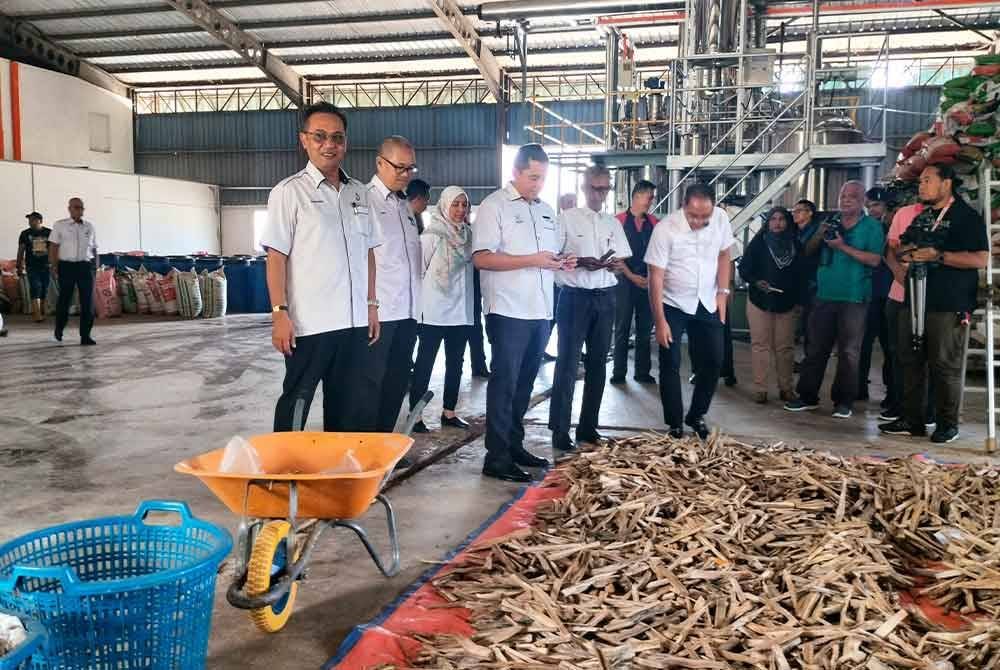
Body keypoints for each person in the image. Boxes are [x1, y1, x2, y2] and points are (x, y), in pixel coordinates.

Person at [261, 101, 381, 432]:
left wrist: (372, 305)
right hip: (309, 325)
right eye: (320, 136)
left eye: (337, 137)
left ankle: (339, 476)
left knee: (350, 408)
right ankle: (284, 474)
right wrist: (279, 313)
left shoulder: (359, 193)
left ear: (346, 143)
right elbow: (276, 258)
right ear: (304, 140)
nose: (329, 144)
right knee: (296, 403)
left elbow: (368, 252)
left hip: (354, 323)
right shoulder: (289, 193)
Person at [473, 144, 575, 482]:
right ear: (515, 172)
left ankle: (514, 445)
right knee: (504, 383)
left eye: (543, 178)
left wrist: (563, 263)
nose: (538, 184)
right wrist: (532, 260)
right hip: (508, 311)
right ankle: (496, 456)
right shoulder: (494, 207)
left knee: (524, 384)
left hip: (541, 311)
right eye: (532, 177)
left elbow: (551, 257)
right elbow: (482, 258)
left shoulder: (546, 211)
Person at [879, 164, 988, 443]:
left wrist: (939, 256)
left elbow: (980, 259)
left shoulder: (966, 217)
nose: (921, 186)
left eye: (928, 180)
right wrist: (906, 254)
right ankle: (912, 420)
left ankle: (947, 424)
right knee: (909, 360)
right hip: (914, 298)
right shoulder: (924, 215)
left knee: (943, 364)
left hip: (948, 303)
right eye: (920, 181)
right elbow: (901, 247)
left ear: (947, 182)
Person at [549, 165, 632, 452]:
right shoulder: (566, 220)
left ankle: (588, 427)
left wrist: (611, 265)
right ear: (584, 188)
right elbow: (552, 258)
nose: (600, 194)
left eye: (605, 188)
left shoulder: (612, 223)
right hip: (574, 297)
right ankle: (560, 430)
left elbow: (621, 263)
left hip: (605, 297)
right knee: (567, 364)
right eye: (595, 188)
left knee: (598, 364)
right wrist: (578, 261)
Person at [784, 181, 884, 418]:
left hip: (854, 297)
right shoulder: (830, 223)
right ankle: (807, 396)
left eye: (852, 196)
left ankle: (844, 401)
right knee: (815, 348)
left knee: (849, 352)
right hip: (824, 295)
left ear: (862, 201)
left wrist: (842, 247)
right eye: (842, 195)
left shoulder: (871, 227)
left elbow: (875, 260)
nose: (846, 200)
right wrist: (819, 234)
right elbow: (807, 252)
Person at [645, 183, 735, 440]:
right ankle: (674, 423)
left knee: (715, 360)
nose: (699, 221)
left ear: (713, 208)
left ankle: (696, 414)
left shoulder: (720, 219)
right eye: (694, 215)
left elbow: (724, 254)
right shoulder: (665, 230)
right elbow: (655, 278)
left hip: (707, 301)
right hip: (673, 304)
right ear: (684, 206)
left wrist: (722, 293)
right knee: (670, 363)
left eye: (705, 216)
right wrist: (660, 321)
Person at [355, 136, 423, 434]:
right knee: (370, 383)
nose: (406, 174)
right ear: (380, 163)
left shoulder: (404, 205)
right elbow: (359, 260)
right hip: (380, 313)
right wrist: (368, 306)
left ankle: (384, 444)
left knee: (397, 381)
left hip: (408, 312)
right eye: (400, 167)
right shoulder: (363, 200)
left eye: (411, 168)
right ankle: (365, 448)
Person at [409, 186, 474, 434]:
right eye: (455, 205)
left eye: (463, 205)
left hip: (460, 312)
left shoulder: (469, 235)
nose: (459, 210)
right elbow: (419, 271)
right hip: (434, 312)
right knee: (425, 363)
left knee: (456, 363)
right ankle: (415, 416)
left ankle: (449, 412)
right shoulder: (432, 235)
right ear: (444, 205)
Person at [738, 207, 804, 404]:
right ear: (767, 223)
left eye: (782, 219)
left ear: (788, 222)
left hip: (787, 302)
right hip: (760, 301)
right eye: (773, 219)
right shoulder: (758, 244)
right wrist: (757, 282)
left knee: (785, 348)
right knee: (760, 345)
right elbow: (744, 269)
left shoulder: (796, 245)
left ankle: (786, 389)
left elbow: (803, 275)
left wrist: (801, 301)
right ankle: (761, 389)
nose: (777, 223)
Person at [612, 180, 658, 384]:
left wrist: (649, 279)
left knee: (645, 330)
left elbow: (658, 253)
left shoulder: (654, 223)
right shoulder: (618, 221)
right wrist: (632, 277)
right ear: (638, 195)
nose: (651, 200)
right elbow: (614, 256)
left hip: (646, 283)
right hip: (624, 281)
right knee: (622, 327)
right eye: (649, 196)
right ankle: (618, 372)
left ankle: (642, 372)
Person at [858, 187, 897, 405]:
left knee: (890, 346)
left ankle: (891, 392)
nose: (872, 210)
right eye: (869, 206)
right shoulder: (865, 228)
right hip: (868, 293)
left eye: (876, 205)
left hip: (889, 294)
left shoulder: (893, 227)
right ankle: (858, 387)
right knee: (862, 343)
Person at [49, 198, 98, 346]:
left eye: (81, 208)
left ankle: (85, 336)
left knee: (87, 302)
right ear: (69, 209)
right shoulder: (60, 225)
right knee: (64, 300)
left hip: (85, 267)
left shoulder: (89, 227)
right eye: (76, 207)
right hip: (66, 266)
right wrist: (54, 266)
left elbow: (94, 248)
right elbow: (53, 246)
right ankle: (59, 329)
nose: (79, 210)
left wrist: (95, 267)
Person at [793, 199, 821, 367]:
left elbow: (806, 253)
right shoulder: (797, 232)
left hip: (814, 284)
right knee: (805, 325)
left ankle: (811, 362)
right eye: (794, 211)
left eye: (800, 210)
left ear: (810, 213)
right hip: (803, 283)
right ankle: (807, 360)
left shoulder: (816, 231)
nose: (795, 213)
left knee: (812, 327)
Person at [16, 212, 51, 322]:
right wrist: (19, 266)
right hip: (32, 266)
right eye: (29, 220)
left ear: (40, 221)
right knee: (35, 287)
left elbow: (54, 249)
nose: (30, 222)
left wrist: (55, 264)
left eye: (32, 220)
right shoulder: (25, 234)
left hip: (46, 265)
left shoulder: (49, 233)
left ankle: (42, 312)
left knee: (44, 288)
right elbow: (21, 250)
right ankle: (37, 315)